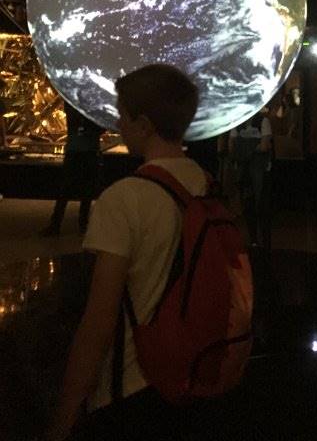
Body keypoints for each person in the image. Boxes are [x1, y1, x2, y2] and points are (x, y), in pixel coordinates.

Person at [45, 64, 207, 441]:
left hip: (133, 386)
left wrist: (66, 412)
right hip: (191, 374)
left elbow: (99, 320)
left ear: (144, 125)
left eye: (123, 115)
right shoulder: (205, 184)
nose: (118, 125)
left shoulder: (123, 199)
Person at [40, 103, 104, 237]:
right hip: (88, 150)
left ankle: (57, 224)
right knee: (84, 189)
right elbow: (99, 127)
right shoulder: (93, 105)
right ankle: (81, 224)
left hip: (76, 149)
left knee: (66, 188)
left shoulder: (73, 103)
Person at [230, 106, 273, 248]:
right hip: (246, 171)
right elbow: (232, 147)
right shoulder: (238, 123)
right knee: (249, 206)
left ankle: (264, 241)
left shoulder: (262, 121)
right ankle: (255, 239)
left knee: (262, 206)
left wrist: (243, 147)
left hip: (259, 170)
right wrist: (254, 146)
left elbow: (264, 146)